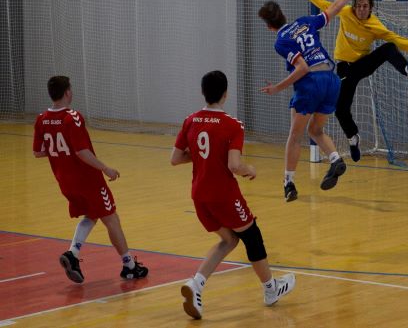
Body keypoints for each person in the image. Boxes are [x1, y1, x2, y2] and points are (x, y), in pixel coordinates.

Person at [171, 70, 295, 320]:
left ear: (203, 92)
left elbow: (175, 158)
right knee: (252, 236)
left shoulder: (190, 120)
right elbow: (234, 165)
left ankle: (196, 284)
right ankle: (270, 289)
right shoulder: (232, 125)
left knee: (229, 240)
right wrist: (250, 169)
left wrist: (203, 158)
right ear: (225, 94)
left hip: (199, 196)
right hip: (223, 194)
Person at [294, 0, 408, 162]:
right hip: (344, 67)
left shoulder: (375, 25)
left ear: (370, 8)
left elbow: (396, 39)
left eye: (365, 6)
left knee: (389, 47)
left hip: (362, 65)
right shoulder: (346, 13)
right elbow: (322, 3)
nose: (361, 9)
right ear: (354, 7)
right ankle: (353, 138)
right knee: (341, 110)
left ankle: (407, 68)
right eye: (359, 6)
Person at [258, 0, 367, 202]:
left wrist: (278, 88)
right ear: (283, 14)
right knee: (315, 130)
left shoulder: (281, 41)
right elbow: (335, 8)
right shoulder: (305, 21)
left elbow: (302, 68)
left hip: (311, 83)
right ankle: (335, 159)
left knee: (294, 136)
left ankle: (289, 184)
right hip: (331, 80)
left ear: (269, 26)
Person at [32, 76, 148, 283]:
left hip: (64, 181)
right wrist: (106, 168)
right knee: (111, 218)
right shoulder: (72, 117)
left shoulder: (41, 119)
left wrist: (60, 151)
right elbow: (81, 151)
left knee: (92, 215)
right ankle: (129, 266)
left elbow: (38, 152)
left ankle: (73, 253)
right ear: (67, 92)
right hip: (87, 180)